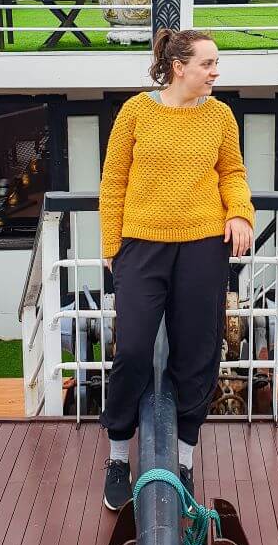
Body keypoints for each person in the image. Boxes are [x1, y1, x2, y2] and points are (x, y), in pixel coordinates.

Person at [98, 28, 255, 510]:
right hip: (142, 246)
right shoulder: (136, 112)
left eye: (215, 63)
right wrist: (111, 244)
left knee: (198, 354)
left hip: (203, 248)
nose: (215, 71)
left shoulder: (220, 116)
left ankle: (184, 458)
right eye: (208, 63)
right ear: (178, 67)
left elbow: (232, 172)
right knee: (134, 350)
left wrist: (239, 213)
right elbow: (113, 180)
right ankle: (118, 455)